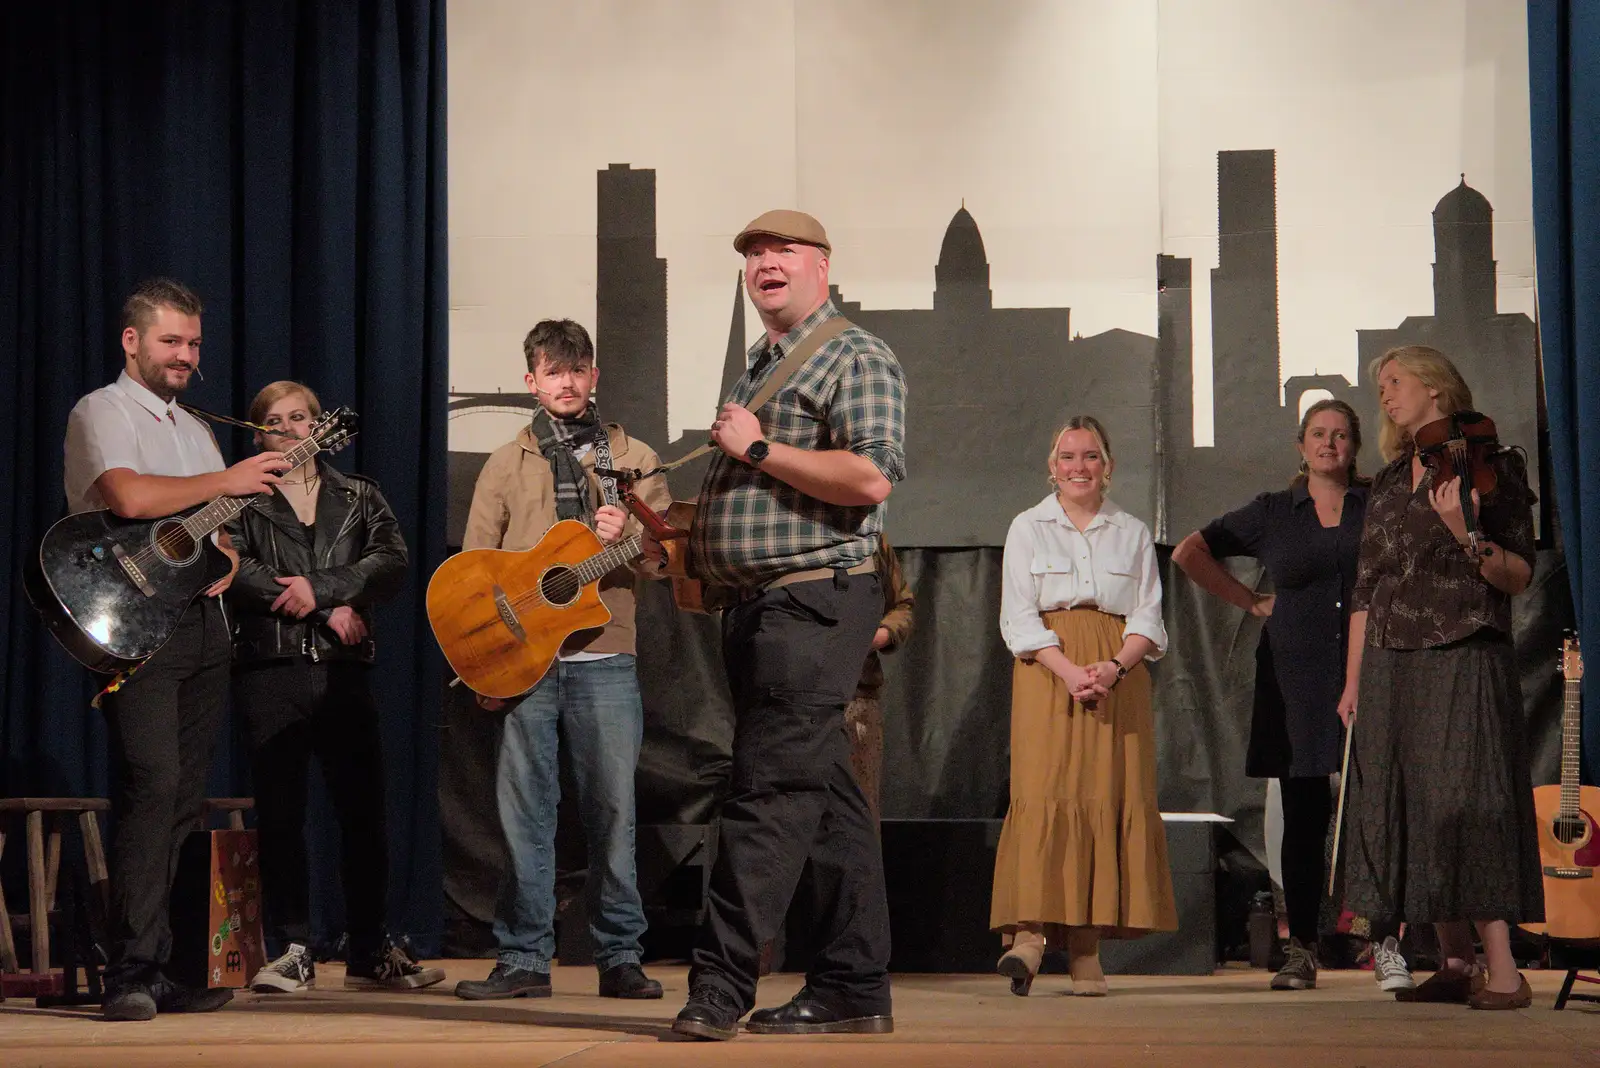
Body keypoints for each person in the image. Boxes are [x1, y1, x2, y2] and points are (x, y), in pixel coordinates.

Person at [664, 210, 907, 1041]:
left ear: (822, 267)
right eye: (754, 255)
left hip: (813, 601)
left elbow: (871, 477)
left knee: (767, 793)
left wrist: (761, 449)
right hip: (763, 606)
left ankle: (720, 988)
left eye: (783, 251)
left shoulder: (855, 354)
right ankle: (852, 985)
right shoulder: (760, 367)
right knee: (827, 800)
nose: (766, 262)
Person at [62, 278, 291, 1021]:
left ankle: (161, 966)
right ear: (133, 342)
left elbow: (205, 530)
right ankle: (125, 971)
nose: (186, 355)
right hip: (136, 623)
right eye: (171, 341)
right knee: (150, 785)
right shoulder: (101, 410)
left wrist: (223, 556)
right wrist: (228, 478)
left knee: (185, 796)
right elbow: (128, 499)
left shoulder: (194, 426)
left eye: (193, 343)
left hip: (200, 625)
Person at [453, 319, 670, 1002]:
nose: (567, 382)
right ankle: (522, 960)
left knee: (613, 813)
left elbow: (664, 560)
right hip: (524, 663)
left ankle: (620, 957)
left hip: (604, 656)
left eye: (578, 369)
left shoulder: (631, 456)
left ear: (595, 375)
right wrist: (483, 664)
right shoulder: (505, 462)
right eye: (554, 370)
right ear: (532, 381)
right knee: (524, 816)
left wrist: (629, 529)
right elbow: (472, 573)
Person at [1172, 399, 1413, 993]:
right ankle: (1301, 946)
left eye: (1340, 435)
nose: (1329, 443)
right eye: (1318, 434)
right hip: (1294, 676)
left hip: (1373, 670)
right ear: (1300, 445)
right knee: (1303, 817)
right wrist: (1250, 602)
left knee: (1378, 813)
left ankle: (1385, 943)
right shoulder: (1273, 513)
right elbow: (1188, 552)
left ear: (1356, 446)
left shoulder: (1377, 504)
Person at [1339, 345, 1542, 1010]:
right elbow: (1368, 590)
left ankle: (1506, 971)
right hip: (1392, 661)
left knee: (1466, 801)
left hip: (1462, 646)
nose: (1386, 396)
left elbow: (1517, 575)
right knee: (1414, 805)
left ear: (1433, 386)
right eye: (1382, 386)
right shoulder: (1393, 479)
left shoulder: (1493, 466)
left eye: (1395, 382)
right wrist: (1353, 682)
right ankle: (1455, 961)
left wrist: (1463, 531)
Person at [224, 381, 441, 993]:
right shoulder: (241, 499)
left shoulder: (359, 495)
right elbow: (234, 569)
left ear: (320, 426)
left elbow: (392, 560)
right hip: (270, 668)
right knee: (283, 814)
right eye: (274, 421)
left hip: (344, 671)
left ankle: (370, 951)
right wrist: (323, 608)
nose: (290, 429)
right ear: (258, 434)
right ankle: (291, 947)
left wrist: (326, 589)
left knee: (363, 812)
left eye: (300, 417)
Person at [990, 416, 1176, 997]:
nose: (1078, 466)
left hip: (1117, 677)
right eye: (1067, 456)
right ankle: (1028, 935)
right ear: (1052, 466)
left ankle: (1085, 948)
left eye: (1090, 456)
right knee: (1044, 794)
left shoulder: (1133, 530)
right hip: (1049, 672)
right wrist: (1071, 671)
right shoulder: (1028, 527)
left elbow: (1148, 616)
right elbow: (1018, 618)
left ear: (1108, 466)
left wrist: (1114, 668)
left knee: (1103, 795)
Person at [846, 536, 914, 825]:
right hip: (789, 697)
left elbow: (902, 606)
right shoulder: (783, 532)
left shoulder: (869, 539)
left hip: (856, 696)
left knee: (858, 811)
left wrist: (878, 635)